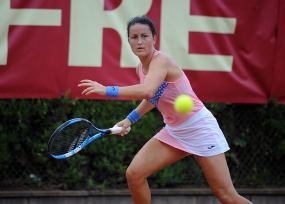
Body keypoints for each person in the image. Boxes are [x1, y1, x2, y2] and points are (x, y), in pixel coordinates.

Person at [78, 15, 252, 204]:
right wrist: (130, 119)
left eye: (144, 36)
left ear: (154, 38)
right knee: (134, 175)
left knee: (226, 195)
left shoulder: (162, 61)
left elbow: (147, 90)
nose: (139, 41)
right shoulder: (141, 68)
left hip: (199, 128)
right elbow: (153, 97)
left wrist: (107, 90)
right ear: (128, 41)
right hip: (175, 131)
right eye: (134, 37)